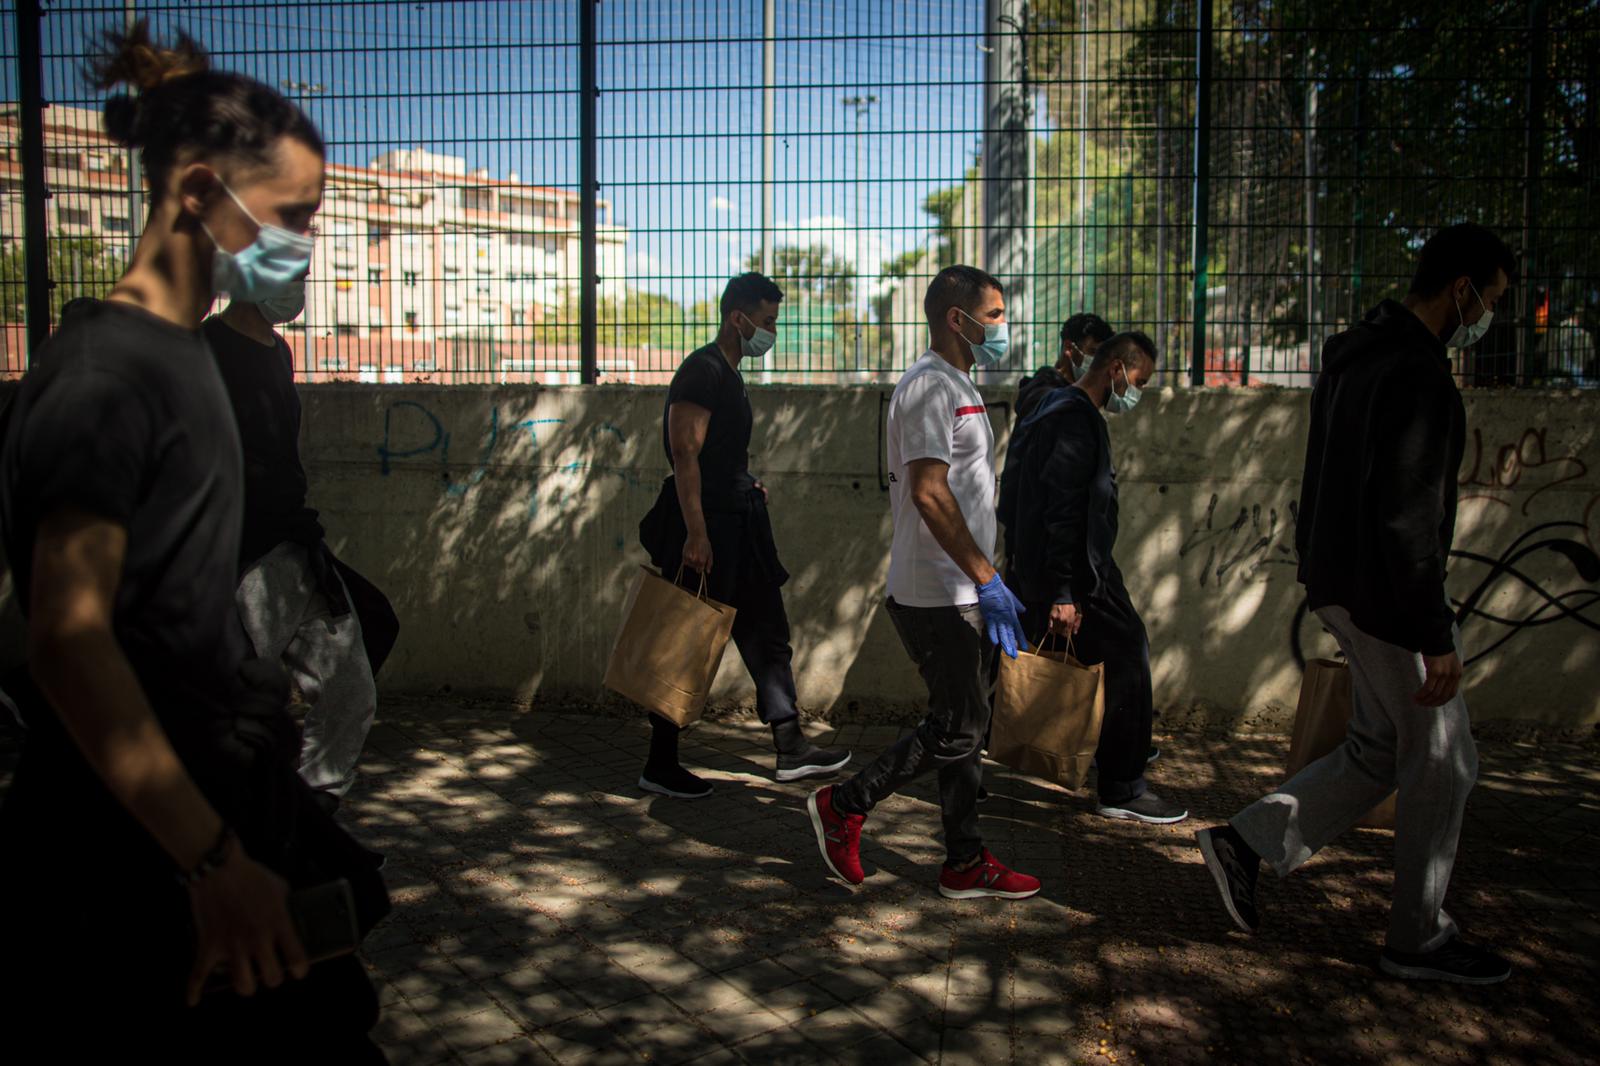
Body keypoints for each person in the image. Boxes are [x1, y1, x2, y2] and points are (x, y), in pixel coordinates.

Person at [0, 24, 388, 1058]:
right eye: (292, 214)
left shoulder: (180, 361)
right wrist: (211, 861)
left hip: (215, 810)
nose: (303, 241)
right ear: (202, 192)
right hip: (139, 854)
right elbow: (69, 639)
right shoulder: (103, 376)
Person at [1195, 223, 1517, 985]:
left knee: (1381, 748)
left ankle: (1247, 845)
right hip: (1388, 595)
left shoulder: (1353, 354)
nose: (1490, 314)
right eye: (1491, 299)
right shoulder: (1417, 374)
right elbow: (1407, 514)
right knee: (1446, 759)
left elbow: (1326, 479)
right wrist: (1433, 630)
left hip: (1340, 581)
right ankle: (1418, 940)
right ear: (1461, 289)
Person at [807, 265, 1040, 900]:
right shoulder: (929, 388)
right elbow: (931, 495)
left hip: (963, 590)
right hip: (939, 594)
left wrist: (988, 579)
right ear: (954, 319)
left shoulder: (957, 383)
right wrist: (988, 578)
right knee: (959, 729)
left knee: (964, 728)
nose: (1002, 326)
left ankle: (964, 862)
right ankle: (844, 804)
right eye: (993, 315)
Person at [637, 272, 850, 798]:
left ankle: (791, 746)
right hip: (711, 529)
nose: (771, 332)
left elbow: (715, 454)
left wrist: (743, 482)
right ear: (739, 318)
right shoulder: (702, 371)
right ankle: (659, 764)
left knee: (768, 633)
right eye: (768, 321)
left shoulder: (728, 373)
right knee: (687, 641)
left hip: (741, 523)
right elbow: (684, 453)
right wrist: (696, 533)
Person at [204, 291, 399, 814]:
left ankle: (314, 816)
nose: (302, 280)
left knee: (349, 688)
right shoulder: (203, 349)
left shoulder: (278, 350)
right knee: (221, 698)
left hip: (293, 546)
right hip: (240, 554)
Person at [999, 331, 1187, 825]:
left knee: (1111, 656)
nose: (1136, 391)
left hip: (1068, 568)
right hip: (1081, 573)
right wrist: (1065, 591)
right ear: (1115, 369)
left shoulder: (1052, 409)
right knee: (1128, 656)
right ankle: (1122, 788)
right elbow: (1064, 508)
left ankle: (1113, 771)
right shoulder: (1072, 417)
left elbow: (1016, 493)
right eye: (1138, 380)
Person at [1017, 312, 1112, 418]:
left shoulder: (1074, 395)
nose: (1099, 362)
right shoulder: (1046, 399)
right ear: (1069, 348)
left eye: (1101, 355)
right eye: (1093, 352)